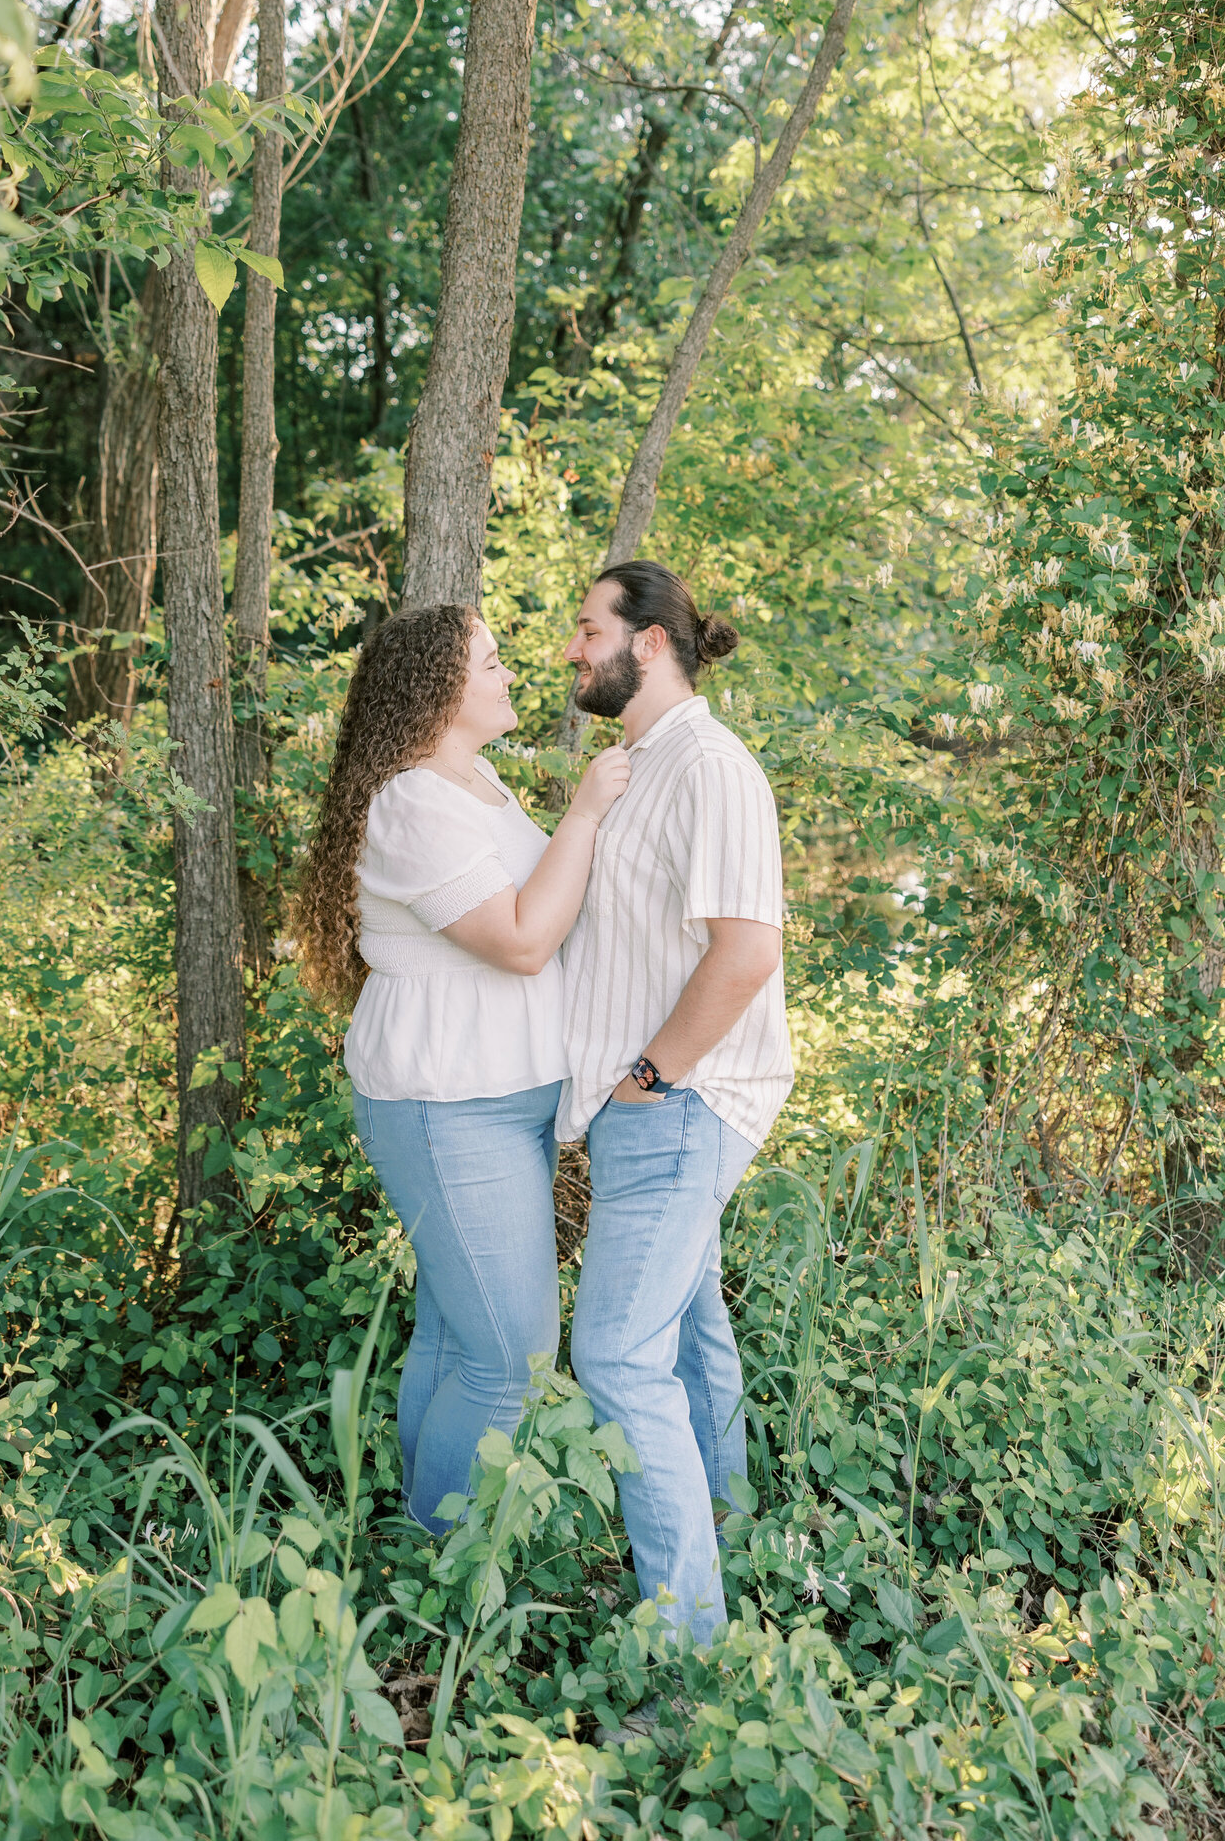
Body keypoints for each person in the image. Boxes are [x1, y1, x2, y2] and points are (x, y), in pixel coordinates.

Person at [294, 604, 630, 1532]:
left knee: (456, 1333)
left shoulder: (475, 779)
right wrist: (590, 808)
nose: (510, 673)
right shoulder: (411, 803)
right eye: (490, 662)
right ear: (440, 690)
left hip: (504, 1097)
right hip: (447, 1105)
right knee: (513, 1358)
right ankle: (439, 1561)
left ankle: (412, 1533)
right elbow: (521, 939)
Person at [561, 561, 791, 1644]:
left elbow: (745, 952)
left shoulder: (709, 764)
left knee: (614, 1355)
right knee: (690, 1334)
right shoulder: (637, 763)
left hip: (680, 1104)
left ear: (648, 643)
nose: (570, 647)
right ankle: (733, 1545)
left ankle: (686, 1650)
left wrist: (649, 1080)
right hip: (647, 1107)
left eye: (586, 627)